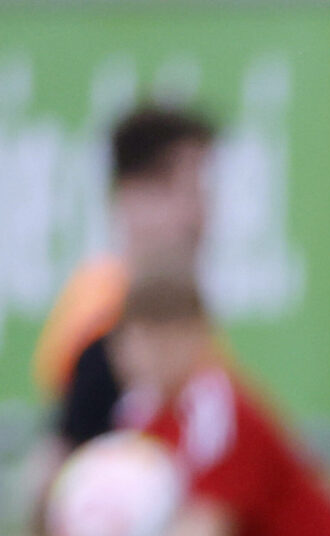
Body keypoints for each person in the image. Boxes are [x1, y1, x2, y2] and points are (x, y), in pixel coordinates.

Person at [2, 272, 330, 536]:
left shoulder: (220, 413)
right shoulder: (140, 418)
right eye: (139, 340)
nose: (152, 355)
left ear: (199, 337)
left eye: (167, 340)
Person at [29, 105, 217, 486]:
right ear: (129, 196)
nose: (197, 215)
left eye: (203, 192)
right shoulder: (108, 312)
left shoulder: (170, 305)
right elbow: (69, 459)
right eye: (181, 191)